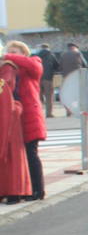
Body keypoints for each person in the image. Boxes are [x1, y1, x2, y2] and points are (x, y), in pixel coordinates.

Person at [2, 41, 44, 202]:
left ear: (24, 53)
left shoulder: (33, 63)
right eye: (10, 51)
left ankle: (38, 190)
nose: (12, 55)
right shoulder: (10, 70)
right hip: (17, 120)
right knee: (23, 156)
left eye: (15, 52)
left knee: (31, 154)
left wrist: (6, 56)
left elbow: (33, 66)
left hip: (30, 116)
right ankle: (27, 190)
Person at [0, 54, 31, 203]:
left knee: (12, 155)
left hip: (9, 114)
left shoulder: (7, 67)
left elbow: (4, 85)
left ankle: (14, 191)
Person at [35, 43, 57, 118]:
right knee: (49, 97)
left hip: (38, 78)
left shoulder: (36, 55)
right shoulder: (51, 55)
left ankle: (38, 113)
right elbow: (56, 66)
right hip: (48, 78)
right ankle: (49, 113)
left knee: (38, 97)